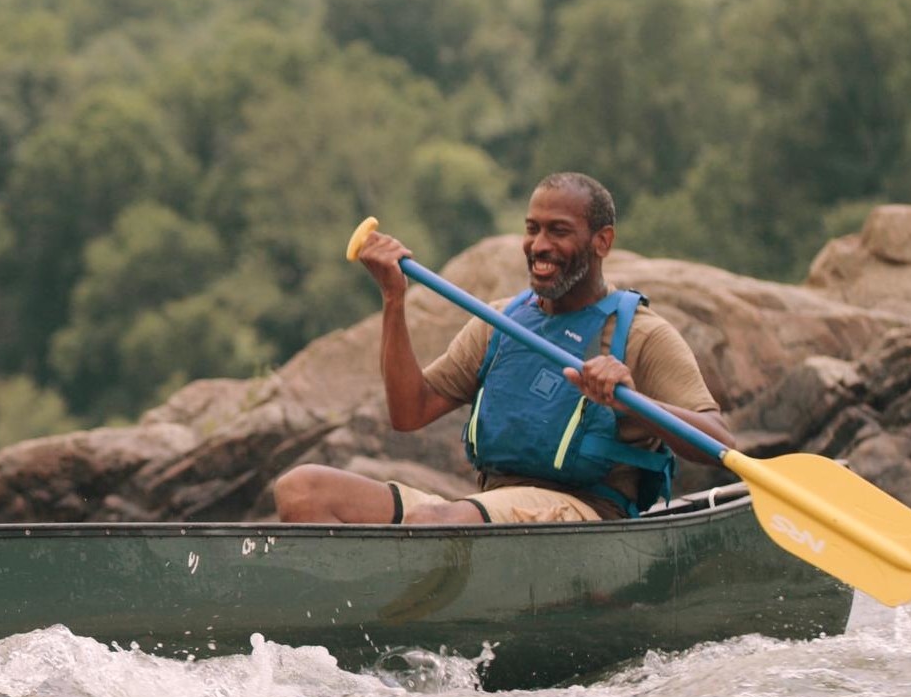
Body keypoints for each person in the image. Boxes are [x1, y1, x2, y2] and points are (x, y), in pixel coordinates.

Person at [273, 172, 734, 525]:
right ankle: (353, 631)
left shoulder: (641, 335)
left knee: (436, 523)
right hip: (484, 512)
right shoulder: (498, 322)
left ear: (602, 241)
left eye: (559, 231)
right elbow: (409, 412)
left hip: (585, 518)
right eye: (532, 229)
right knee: (302, 489)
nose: (539, 245)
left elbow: (720, 444)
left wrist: (634, 400)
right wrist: (394, 300)